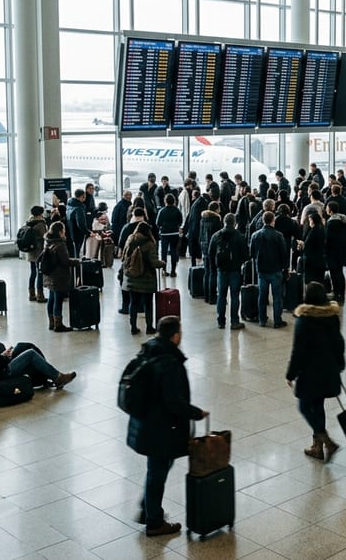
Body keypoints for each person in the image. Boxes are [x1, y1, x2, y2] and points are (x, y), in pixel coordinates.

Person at [126, 315, 207, 537]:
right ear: (176, 335)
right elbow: (173, 402)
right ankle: (153, 521)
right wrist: (196, 413)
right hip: (160, 428)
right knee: (158, 470)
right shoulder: (169, 362)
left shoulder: (149, 351)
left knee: (159, 467)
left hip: (146, 423)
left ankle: (147, 508)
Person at [286, 282, 344, 461]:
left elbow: (299, 351)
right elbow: (339, 343)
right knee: (318, 406)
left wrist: (291, 373)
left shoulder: (304, 320)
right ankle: (317, 447)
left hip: (310, 372)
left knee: (304, 406)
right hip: (329, 369)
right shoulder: (331, 317)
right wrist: (339, 364)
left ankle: (326, 440)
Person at [0, 316, 76, 390]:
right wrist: (6, 356)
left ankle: (52, 376)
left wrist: (2, 355)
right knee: (30, 353)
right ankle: (57, 377)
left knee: (21, 348)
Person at [122, 221, 166, 335]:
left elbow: (124, 257)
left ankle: (133, 327)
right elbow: (154, 262)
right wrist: (163, 263)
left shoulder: (130, 240)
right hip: (146, 278)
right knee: (148, 304)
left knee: (133, 303)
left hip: (131, 276)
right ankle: (149, 327)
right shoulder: (149, 243)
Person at [208, 214, 249, 330]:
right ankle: (234, 321)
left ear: (224, 222)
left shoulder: (216, 235)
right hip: (235, 270)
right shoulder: (239, 236)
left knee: (221, 296)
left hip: (221, 270)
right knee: (235, 296)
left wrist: (214, 268)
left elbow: (210, 253)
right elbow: (246, 254)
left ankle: (221, 321)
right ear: (235, 222)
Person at [250, 211, 290, 329]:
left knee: (262, 296)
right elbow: (283, 253)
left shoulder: (255, 235)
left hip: (261, 269)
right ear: (273, 221)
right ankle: (277, 320)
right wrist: (286, 268)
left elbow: (252, 253)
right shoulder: (278, 235)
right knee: (277, 296)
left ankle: (262, 319)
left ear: (263, 220)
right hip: (276, 269)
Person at [40, 221, 79, 333]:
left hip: (49, 275)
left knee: (51, 299)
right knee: (58, 300)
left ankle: (51, 322)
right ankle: (58, 324)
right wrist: (77, 261)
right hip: (59, 276)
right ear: (60, 231)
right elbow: (65, 261)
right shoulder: (60, 245)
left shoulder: (48, 242)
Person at [324, 202, 346, 302]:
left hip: (332, 252)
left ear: (330, 210)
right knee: (340, 272)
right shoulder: (343, 222)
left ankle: (336, 293)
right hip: (342, 251)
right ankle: (341, 293)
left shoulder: (330, 223)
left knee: (334, 273)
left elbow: (327, 239)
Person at [156, 193, 184, 277]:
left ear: (165, 201)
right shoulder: (177, 210)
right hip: (174, 233)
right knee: (173, 252)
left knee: (164, 252)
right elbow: (180, 220)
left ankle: (164, 270)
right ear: (174, 201)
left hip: (164, 233)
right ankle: (173, 271)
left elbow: (158, 223)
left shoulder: (162, 211)